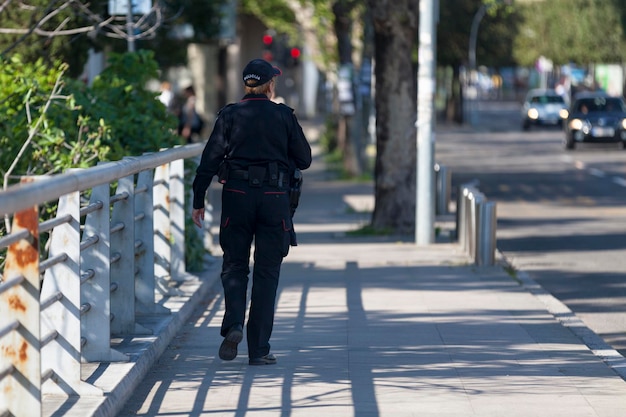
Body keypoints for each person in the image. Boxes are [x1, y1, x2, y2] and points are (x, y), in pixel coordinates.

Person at [191, 59, 312, 366]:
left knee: (234, 265)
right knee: (267, 273)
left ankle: (233, 324)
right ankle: (258, 349)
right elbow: (305, 158)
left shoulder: (229, 116)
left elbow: (208, 160)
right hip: (274, 199)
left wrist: (198, 200)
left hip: (236, 197)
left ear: (247, 85)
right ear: (270, 85)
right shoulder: (283, 116)